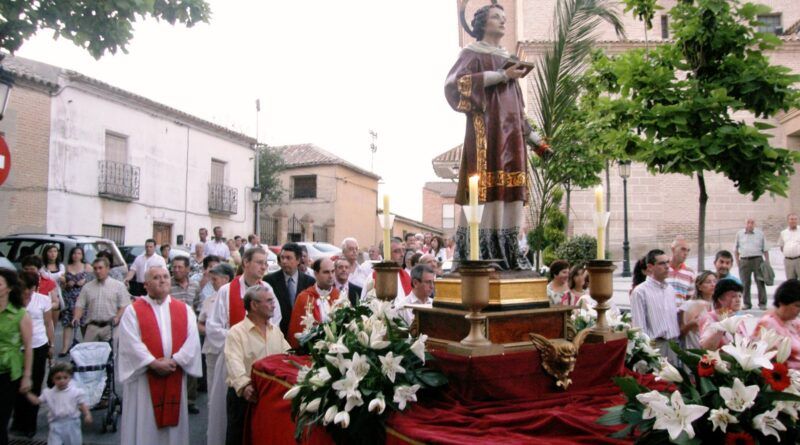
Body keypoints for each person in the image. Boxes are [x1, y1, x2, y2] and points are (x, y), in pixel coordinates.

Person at [446, 3, 548, 270]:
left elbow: (517, 111)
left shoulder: (508, 59)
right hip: (486, 138)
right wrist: (502, 75)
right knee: (485, 191)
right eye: (496, 18)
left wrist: (537, 142)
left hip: (512, 141)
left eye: (504, 18)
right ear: (481, 24)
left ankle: (509, 252)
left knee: (511, 192)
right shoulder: (471, 53)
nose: (503, 22)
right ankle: (481, 254)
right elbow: (455, 85)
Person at [117, 266, 202, 445]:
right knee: (144, 424)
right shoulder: (133, 310)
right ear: (146, 285)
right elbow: (130, 343)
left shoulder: (184, 310)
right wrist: (152, 363)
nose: (162, 280)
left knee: (172, 433)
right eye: (156, 277)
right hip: (144, 378)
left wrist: (176, 361)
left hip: (174, 373)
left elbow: (192, 341)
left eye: (165, 276)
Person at [206, 247, 277, 445]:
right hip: (232, 363)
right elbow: (213, 328)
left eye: (266, 263)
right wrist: (241, 340)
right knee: (231, 419)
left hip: (261, 364)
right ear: (245, 263)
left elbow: (275, 324)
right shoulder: (226, 291)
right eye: (259, 262)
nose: (264, 266)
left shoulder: (268, 291)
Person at [224, 285, 290, 445]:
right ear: (254, 305)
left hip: (269, 397)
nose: (274, 305)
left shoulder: (275, 331)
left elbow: (288, 357)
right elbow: (233, 362)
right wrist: (245, 386)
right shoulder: (236, 332)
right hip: (245, 397)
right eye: (268, 301)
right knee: (239, 438)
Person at [11, 272, 54, 438]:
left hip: (38, 345)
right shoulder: (14, 300)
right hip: (18, 346)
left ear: (35, 287)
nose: (26, 291)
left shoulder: (42, 300)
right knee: (16, 383)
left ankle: (30, 424)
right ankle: (17, 420)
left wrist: (51, 344)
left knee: (34, 385)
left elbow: (48, 323)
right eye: (23, 287)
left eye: (29, 288)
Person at [630, 249, 680, 366]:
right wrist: (647, 351)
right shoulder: (640, 292)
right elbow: (639, 327)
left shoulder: (670, 290)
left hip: (673, 344)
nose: (667, 266)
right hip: (656, 346)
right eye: (662, 263)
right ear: (650, 267)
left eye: (668, 262)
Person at [0, 269, 33, 445]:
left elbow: (28, 347)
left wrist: (26, 376)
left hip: (8, 373)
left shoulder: (20, 314)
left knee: (1, 421)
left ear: (9, 288)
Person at [287, 258, 349, 349]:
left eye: (332, 271)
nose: (331, 276)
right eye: (326, 272)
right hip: (310, 351)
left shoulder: (340, 297)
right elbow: (296, 330)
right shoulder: (304, 298)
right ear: (316, 274)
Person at [24, 362, 91, 445]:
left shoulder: (75, 392)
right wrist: (27, 393)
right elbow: (37, 401)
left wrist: (87, 414)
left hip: (71, 422)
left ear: (70, 378)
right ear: (53, 379)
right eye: (58, 378)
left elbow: (82, 404)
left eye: (65, 378)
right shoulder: (48, 393)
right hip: (55, 423)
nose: (62, 381)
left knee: (74, 442)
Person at [198, 263, 234, 402]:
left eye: (215, 279)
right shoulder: (209, 299)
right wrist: (212, 332)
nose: (212, 283)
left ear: (225, 279)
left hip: (233, 350)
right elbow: (200, 323)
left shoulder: (238, 298)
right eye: (211, 279)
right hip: (212, 350)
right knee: (213, 390)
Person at [73, 257, 130, 342]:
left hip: (110, 327)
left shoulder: (118, 286)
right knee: (88, 353)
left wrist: (117, 317)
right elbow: (80, 305)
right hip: (92, 327)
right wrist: (76, 317)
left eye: (100, 268)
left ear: (107, 268)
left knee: (110, 353)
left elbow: (124, 305)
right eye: (95, 268)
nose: (98, 271)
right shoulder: (87, 287)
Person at [264, 243, 316, 335]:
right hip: (278, 332)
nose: (284, 261)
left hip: (302, 334)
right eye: (282, 257)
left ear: (298, 260)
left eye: (288, 258)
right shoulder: (269, 281)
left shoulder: (309, 282)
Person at [754, 279, 800, 370]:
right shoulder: (768, 323)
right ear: (782, 302)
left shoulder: (794, 322)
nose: (799, 310)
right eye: (797, 306)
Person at [60, 247, 91, 356]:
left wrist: (85, 281)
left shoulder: (87, 267)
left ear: (82, 255)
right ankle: (64, 348)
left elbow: (94, 280)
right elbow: (62, 285)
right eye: (74, 253)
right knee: (68, 323)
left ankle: (87, 346)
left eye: (78, 253)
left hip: (82, 298)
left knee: (83, 323)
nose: (76, 255)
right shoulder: (66, 267)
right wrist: (67, 284)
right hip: (69, 297)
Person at [699, 278, 746, 349]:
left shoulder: (737, 319)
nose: (738, 300)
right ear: (720, 299)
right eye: (733, 296)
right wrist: (722, 325)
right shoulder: (709, 318)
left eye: (740, 296)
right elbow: (706, 347)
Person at [734, 218, 769, 309]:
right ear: (745, 224)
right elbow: (736, 249)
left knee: (760, 282)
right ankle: (747, 303)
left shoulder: (760, 234)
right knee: (745, 283)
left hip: (758, 260)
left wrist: (767, 262)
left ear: (755, 224)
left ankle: (762, 303)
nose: (750, 224)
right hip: (744, 261)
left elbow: (765, 249)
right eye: (748, 222)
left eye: (752, 222)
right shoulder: (739, 234)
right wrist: (738, 262)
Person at [679, 271, 717, 350]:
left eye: (714, 281)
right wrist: (691, 324)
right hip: (693, 351)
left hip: (711, 352)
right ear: (699, 286)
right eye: (708, 282)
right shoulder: (688, 305)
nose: (713, 285)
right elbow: (680, 333)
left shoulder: (716, 305)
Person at [666, 236, 696, 304]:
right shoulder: (663, 268)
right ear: (673, 249)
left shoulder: (690, 273)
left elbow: (690, 298)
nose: (686, 253)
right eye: (683, 249)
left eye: (688, 250)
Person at [779, 213, 800, 280]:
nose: (793, 221)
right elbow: (781, 246)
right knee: (791, 282)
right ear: (788, 221)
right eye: (791, 219)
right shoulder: (783, 233)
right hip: (788, 261)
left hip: (799, 259)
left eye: (795, 219)